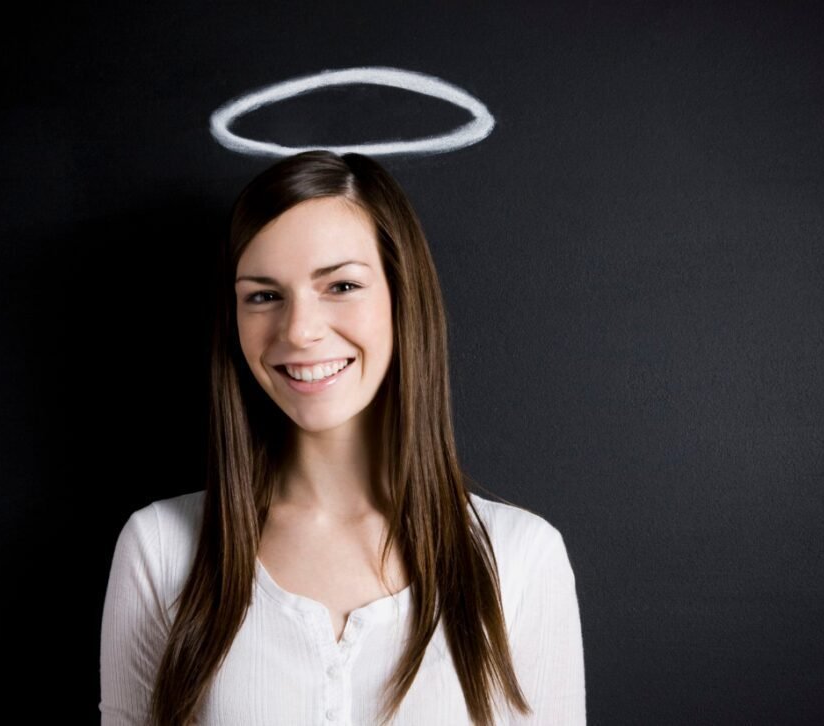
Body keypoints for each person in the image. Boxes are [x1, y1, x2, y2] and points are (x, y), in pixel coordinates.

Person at [99, 150, 586, 725]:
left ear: (402, 298)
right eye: (263, 295)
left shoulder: (519, 558)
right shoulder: (160, 549)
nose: (299, 330)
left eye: (342, 285)